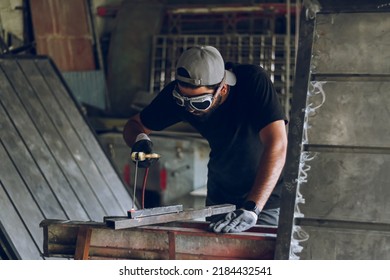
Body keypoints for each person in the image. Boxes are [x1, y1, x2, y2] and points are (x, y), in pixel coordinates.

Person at [123, 45, 288, 233]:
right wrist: (139, 140)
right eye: (181, 100)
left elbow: (277, 143)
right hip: (220, 197)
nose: (190, 109)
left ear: (223, 89)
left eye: (199, 103)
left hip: (265, 197)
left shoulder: (253, 82)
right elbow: (134, 125)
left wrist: (253, 207)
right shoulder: (181, 97)